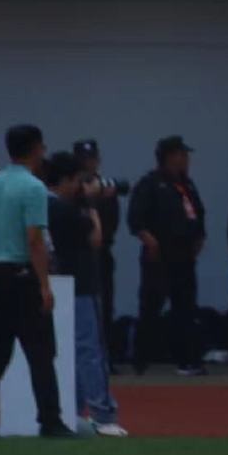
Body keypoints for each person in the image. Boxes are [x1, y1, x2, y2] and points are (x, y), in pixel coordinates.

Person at [0, 125, 72, 439]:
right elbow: (34, 239)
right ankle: (50, 420)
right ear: (36, 148)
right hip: (23, 275)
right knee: (40, 350)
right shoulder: (33, 187)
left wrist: (0, 245)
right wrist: (44, 284)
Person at [44, 152, 127, 437]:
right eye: (78, 181)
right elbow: (95, 238)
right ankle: (103, 415)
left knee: (71, 351)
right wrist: (91, 203)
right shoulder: (65, 210)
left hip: (59, 286)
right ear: (66, 180)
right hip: (80, 286)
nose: (81, 186)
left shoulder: (42, 204)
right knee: (91, 351)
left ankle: (74, 411)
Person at [128, 135, 206, 376]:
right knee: (151, 308)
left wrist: (199, 239)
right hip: (159, 258)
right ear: (170, 157)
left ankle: (187, 360)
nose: (186, 160)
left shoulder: (187, 185)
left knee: (185, 309)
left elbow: (198, 215)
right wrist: (149, 241)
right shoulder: (150, 184)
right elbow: (136, 220)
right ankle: (140, 360)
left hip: (185, 258)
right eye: (182, 155)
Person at [73, 139, 127, 367]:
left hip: (102, 253)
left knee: (104, 305)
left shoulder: (106, 189)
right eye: (84, 160)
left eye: (92, 159)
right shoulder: (71, 189)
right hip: (77, 254)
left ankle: (106, 357)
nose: (89, 164)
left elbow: (113, 220)